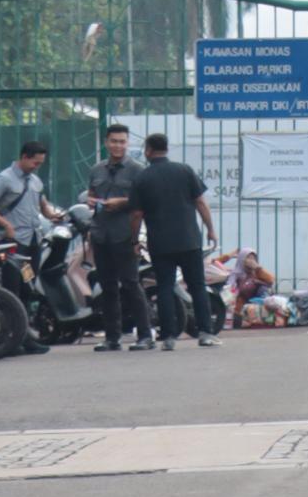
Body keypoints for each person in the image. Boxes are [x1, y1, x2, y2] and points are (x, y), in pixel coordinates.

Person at [131, 129, 217, 348]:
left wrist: (134, 240)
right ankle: (206, 332)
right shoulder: (185, 171)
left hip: (160, 243)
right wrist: (210, 229)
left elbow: (137, 214)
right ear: (166, 149)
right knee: (197, 286)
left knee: (165, 287)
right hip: (189, 240)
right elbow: (200, 202)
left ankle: (169, 337)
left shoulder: (142, 177)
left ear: (148, 150)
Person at [85, 122, 149, 354]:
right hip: (101, 234)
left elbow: (144, 203)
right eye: (113, 141)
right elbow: (91, 194)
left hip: (125, 234)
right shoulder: (96, 169)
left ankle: (144, 335)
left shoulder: (138, 170)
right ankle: (112, 337)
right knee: (108, 288)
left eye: (122, 141)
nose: (117, 146)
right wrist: (91, 201)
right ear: (106, 142)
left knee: (132, 285)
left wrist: (121, 202)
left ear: (128, 143)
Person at [0, 138, 58, 247]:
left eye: (40, 164)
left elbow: (43, 205)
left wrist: (52, 215)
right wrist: (6, 225)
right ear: (24, 157)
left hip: (34, 238)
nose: (37, 167)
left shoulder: (35, 180)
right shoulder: (5, 178)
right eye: (35, 163)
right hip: (14, 239)